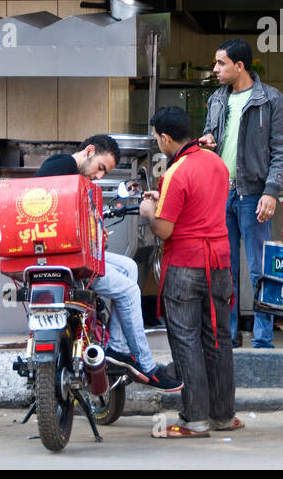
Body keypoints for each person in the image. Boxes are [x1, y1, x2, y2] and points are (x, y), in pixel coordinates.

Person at [34, 135, 181, 393]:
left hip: (68, 255)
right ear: (89, 151)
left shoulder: (67, 173)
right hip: (66, 263)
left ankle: (118, 349)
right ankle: (146, 366)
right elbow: (53, 218)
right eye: (100, 167)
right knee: (129, 290)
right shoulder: (64, 168)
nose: (100, 176)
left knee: (129, 267)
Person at [140, 107, 240, 438]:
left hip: (185, 264)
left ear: (166, 138)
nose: (159, 144)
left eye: (158, 138)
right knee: (219, 339)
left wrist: (149, 211)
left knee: (187, 341)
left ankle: (195, 418)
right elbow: (204, 205)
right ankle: (224, 415)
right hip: (220, 264)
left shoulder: (176, 171)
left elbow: (165, 230)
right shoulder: (217, 162)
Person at [200, 38, 283, 349]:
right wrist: (207, 140)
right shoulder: (216, 99)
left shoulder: (270, 100)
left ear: (239, 66)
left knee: (258, 268)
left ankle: (263, 339)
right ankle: (227, 337)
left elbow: (282, 150)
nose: (215, 69)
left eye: (221, 63)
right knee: (224, 270)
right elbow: (211, 135)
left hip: (254, 194)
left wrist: (272, 191)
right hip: (220, 194)